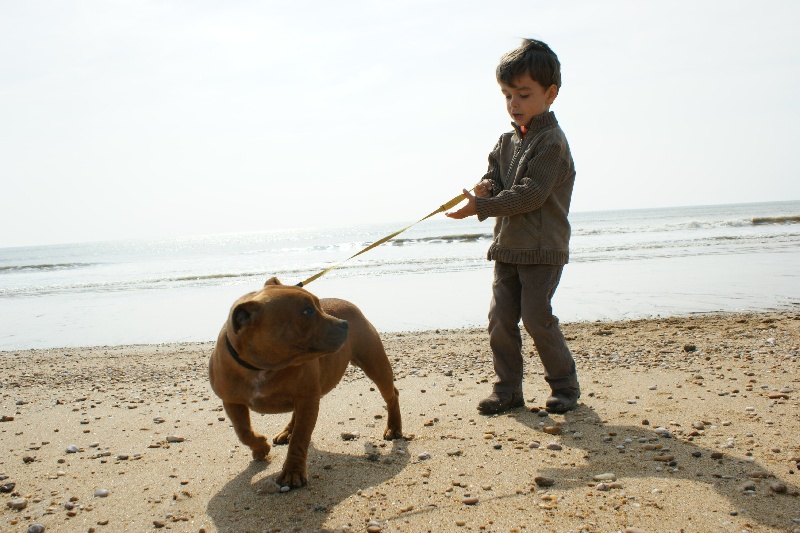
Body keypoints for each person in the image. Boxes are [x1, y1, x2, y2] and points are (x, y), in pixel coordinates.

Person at [446, 38, 579, 415]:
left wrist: (482, 206)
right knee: (500, 319)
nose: (514, 104)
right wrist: (486, 187)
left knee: (537, 318)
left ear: (550, 94)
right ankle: (508, 390)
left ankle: (565, 386)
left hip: (542, 249)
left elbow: (531, 194)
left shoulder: (552, 142)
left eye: (523, 94)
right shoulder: (505, 140)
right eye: (507, 95)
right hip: (507, 248)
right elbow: (497, 178)